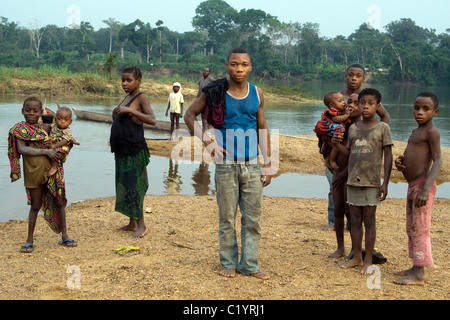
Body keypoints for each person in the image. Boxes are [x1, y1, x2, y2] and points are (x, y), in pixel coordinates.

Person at [184, 48, 273, 280]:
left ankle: (250, 265)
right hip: (225, 165)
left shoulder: (257, 93)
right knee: (227, 218)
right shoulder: (215, 91)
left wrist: (269, 163)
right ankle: (228, 262)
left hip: (252, 164)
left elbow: (262, 128)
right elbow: (189, 115)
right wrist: (208, 144)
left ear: (250, 67)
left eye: (244, 64)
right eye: (235, 64)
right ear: (227, 66)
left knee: (252, 219)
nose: (239, 69)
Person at [7, 96, 77, 253]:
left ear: (41, 112)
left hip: (54, 170)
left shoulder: (48, 127)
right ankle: (29, 239)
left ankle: (65, 235)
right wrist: (45, 151)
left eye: (35, 110)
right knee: (35, 206)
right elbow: (23, 149)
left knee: (59, 203)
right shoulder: (20, 129)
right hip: (33, 172)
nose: (31, 113)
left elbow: (66, 139)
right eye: (28, 110)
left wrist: (58, 148)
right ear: (22, 111)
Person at [340, 88, 393, 274]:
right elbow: (350, 153)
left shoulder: (382, 128)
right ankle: (356, 256)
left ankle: (368, 259)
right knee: (354, 220)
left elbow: (388, 156)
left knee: (369, 221)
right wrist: (335, 143)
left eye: (370, 104)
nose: (365, 107)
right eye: (362, 103)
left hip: (371, 183)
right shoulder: (353, 129)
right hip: (353, 181)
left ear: (378, 106)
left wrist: (385, 182)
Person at [393, 92, 442, 286]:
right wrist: (401, 163)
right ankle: (415, 265)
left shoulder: (432, 131)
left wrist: (425, 189)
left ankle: (419, 274)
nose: (419, 112)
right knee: (411, 227)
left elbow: (438, 161)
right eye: (416, 107)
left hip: (423, 186)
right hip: (412, 185)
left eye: (425, 109)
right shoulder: (415, 131)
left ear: (435, 112)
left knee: (420, 229)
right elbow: (413, 155)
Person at [110, 66, 156, 238]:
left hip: (134, 150)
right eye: (123, 80)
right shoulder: (127, 97)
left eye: (129, 80)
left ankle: (142, 225)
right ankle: (132, 222)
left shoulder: (141, 97)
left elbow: (152, 120)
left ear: (138, 81)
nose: (124, 83)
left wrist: (129, 110)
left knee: (135, 186)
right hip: (122, 151)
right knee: (125, 184)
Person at [328, 93, 360, 259]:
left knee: (351, 213)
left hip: (351, 174)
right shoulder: (342, 124)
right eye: (349, 102)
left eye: (357, 103)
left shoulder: (361, 128)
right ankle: (340, 248)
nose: (352, 106)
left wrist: (343, 173)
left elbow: (357, 156)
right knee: (338, 210)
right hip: (338, 172)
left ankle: (356, 250)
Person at [314, 91, 351, 170]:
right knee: (336, 148)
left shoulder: (341, 110)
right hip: (330, 133)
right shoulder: (332, 112)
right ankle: (332, 161)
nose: (343, 102)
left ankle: (327, 161)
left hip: (331, 135)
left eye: (343, 100)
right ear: (332, 105)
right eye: (340, 101)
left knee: (331, 148)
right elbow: (336, 119)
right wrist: (347, 115)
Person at [47, 106, 79, 177]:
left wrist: (55, 145)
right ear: (55, 119)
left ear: (70, 122)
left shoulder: (67, 131)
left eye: (66, 120)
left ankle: (54, 166)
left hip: (60, 146)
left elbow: (66, 140)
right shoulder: (54, 126)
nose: (62, 121)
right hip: (52, 144)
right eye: (59, 119)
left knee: (54, 152)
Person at [197, 67, 215, 132]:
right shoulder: (200, 81)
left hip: (208, 101)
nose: (205, 72)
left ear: (209, 72)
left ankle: (210, 130)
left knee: (209, 115)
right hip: (200, 100)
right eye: (204, 71)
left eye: (207, 71)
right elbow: (199, 91)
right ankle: (205, 129)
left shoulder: (211, 80)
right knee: (202, 115)